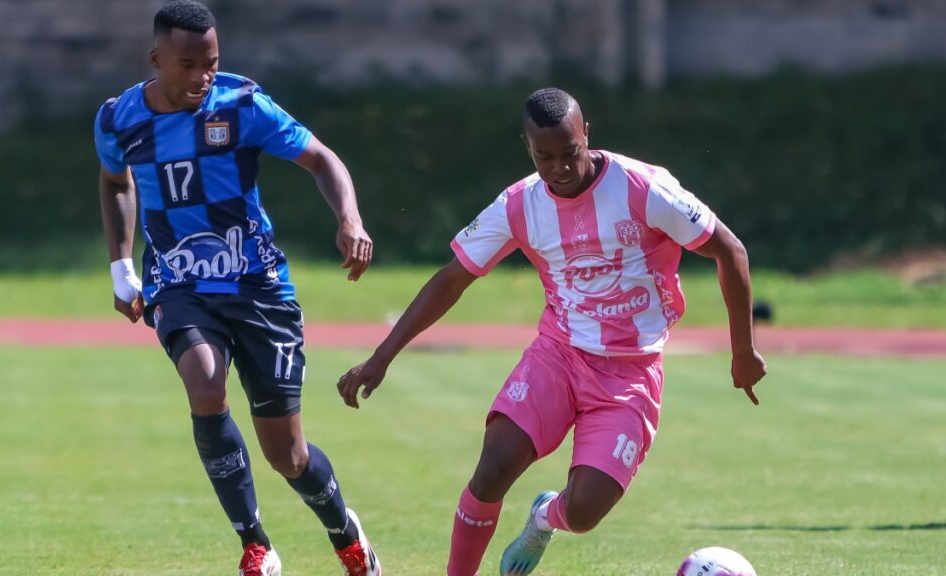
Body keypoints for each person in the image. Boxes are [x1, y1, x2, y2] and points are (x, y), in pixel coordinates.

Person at [337, 87, 767, 576]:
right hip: (557, 356)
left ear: (588, 135)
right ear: (528, 148)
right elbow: (451, 279)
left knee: (583, 513)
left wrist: (743, 351)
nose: (560, 167)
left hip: (630, 372)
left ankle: (545, 516)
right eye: (545, 157)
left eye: (571, 153)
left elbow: (730, 252)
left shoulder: (645, 188)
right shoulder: (519, 205)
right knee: (493, 467)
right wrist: (381, 357)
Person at [93, 2, 381, 575]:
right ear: (157, 59)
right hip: (179, 285)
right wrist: (122, 267)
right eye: (188, 63)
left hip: (258, 287)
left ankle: (345, 533)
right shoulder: (118, 118)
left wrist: (350, 218)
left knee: (288, 455)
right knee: (205, 386)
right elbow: (114, 182)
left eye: (211, 62)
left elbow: (321, 159)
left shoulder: (242, 104)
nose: (202, 75)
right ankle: (256, 545)